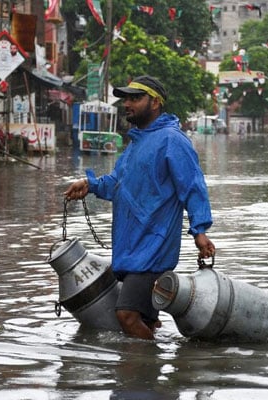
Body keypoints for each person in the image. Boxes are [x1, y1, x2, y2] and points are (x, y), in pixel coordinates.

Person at [64, 75, 215, 340]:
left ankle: (146, 369)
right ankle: (144, 375)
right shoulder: (136, 143)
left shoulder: (172, 140)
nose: (127, 104)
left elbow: (193, 186)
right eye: (126, 98)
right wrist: (89, 185)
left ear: (155, 102)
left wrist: (199, 232)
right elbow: (117, 183)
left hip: (153, 250)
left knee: (126, 315)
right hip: (132, 248)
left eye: (135, 98)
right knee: (142, 320)